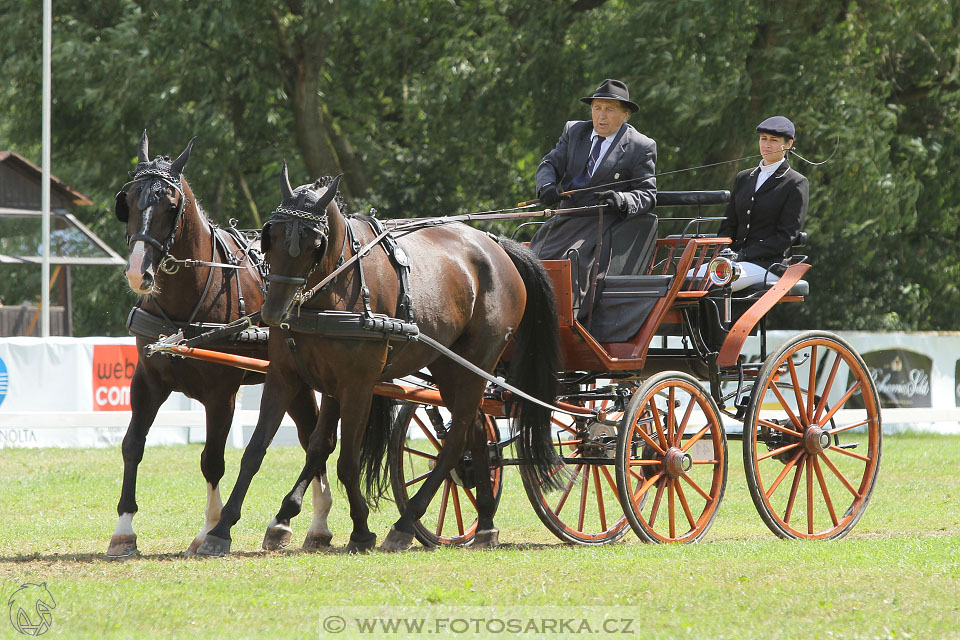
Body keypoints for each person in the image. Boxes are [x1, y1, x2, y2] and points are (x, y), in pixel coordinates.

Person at [529, 79, 657, 320]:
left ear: (626, 114)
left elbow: (647, 194)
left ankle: (567, 319)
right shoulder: (574, 131)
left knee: (571, 261)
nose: (601, 116)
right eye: (597, 108)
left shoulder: (641, 146)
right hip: (565, 217)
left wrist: (621, 199)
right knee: (532, 257)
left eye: (609, 109)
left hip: (602, 222)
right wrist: (546, 185)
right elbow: (550, 163)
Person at [716, 115, 809, 291]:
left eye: (773, 140)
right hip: (735, 261)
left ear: (788, 144)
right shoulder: (743, 178)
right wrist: (724, 252)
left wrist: (744, 255)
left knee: (717, 282)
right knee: (687, 280)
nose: (766, 145)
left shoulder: (795, 182)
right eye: (763, 139)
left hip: (770, 264)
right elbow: (728, 225)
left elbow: (785, 236)